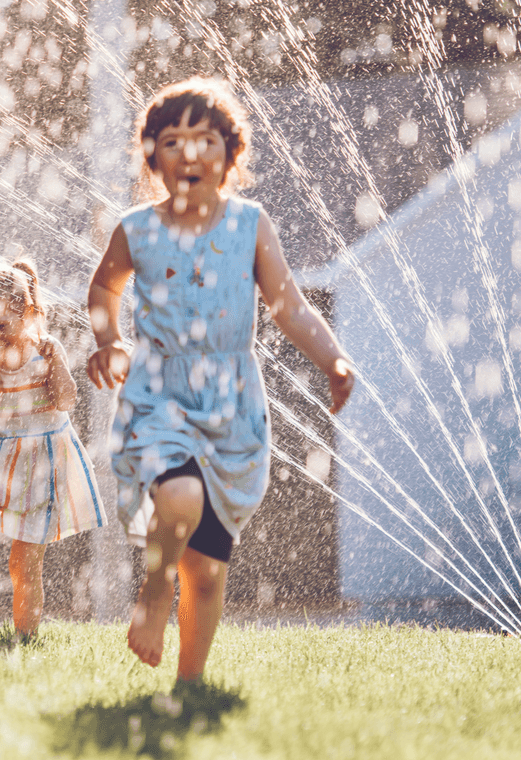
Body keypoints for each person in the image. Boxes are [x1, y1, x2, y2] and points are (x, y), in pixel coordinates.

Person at [86, 76, 354, 684]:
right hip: (159, 392)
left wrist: (333, 360)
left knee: (206, 572)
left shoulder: (249, 225)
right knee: (179, 497)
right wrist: (110, 340)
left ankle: (190, 685)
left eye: (205, 139)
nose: (189, 153)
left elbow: (289, 307)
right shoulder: (137, 229)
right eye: (173, 140)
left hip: (230, 404)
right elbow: (104, 288)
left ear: (230, 156)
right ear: (152, 156)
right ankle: (154, 594)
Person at [0, 258, 105, 636]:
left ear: (29, 313)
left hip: (39, 462)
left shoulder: (46, 352)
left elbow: (66, 401)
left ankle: (26, 634)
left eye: (1, 326)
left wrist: (58, 366)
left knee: (23, 562)